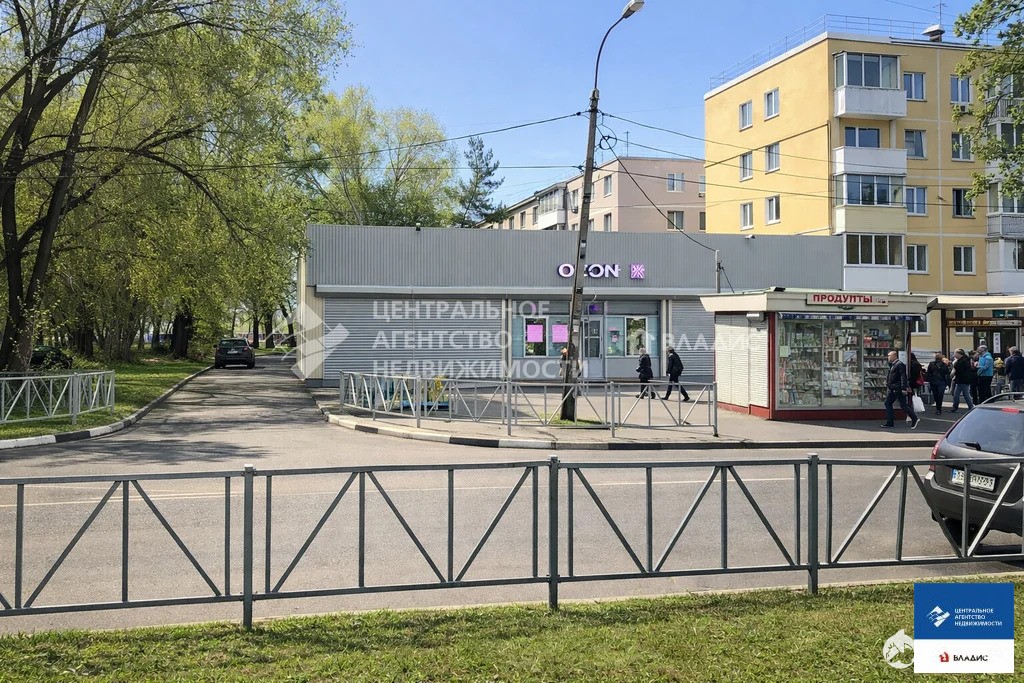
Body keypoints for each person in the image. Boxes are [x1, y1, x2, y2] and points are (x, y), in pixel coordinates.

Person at [881, 351, 919, 429]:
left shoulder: (900, 364)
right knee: (889, 403)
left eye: (889, 356)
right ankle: (890, 423)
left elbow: (903, 377)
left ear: (894, 356)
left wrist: (903, 388)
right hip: (893, 388)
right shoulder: (893, 364)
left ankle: (914, 418)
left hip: (897, 389)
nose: (888, 357)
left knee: (901, 405)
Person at [949, 348, 975, 413]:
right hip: (962, 380)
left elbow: (959, 370)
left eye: (955, 354)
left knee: (964, 394)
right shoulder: (965, 360)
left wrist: (954, 373)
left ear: (959, 354)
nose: (954, 355)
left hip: (963, 380)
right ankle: (968, 407)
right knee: (959, 394)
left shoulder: (962, 361)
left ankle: (970, 407)